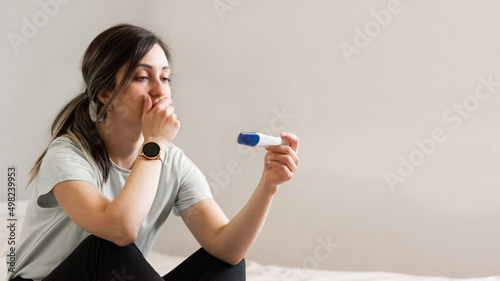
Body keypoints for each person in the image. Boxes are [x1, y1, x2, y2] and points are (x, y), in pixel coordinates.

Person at [8, 23, 299, 281]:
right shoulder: (68, 154)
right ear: (105, 93)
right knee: (109, 246)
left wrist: (268, 186)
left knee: (223, 263)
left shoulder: (172, 162)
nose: (160, 90)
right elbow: (119, 230)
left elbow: (227, 247)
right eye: (142, 77)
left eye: (165, 78)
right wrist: (156, 142)